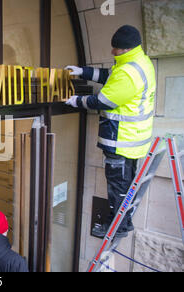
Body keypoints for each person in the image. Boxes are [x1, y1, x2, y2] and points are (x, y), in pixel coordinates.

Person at [65, 25, 156, 238]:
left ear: (125, 49)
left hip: (121, 140)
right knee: (124, 184)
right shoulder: (137, 62)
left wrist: (76, 100)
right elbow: (108, 75)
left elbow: (103, 101)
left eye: (115, 49)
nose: (112, 52)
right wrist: (83, 71)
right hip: (132, 139)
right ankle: (123, 221)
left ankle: (118, 226)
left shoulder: (129, 73)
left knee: (117, 187)